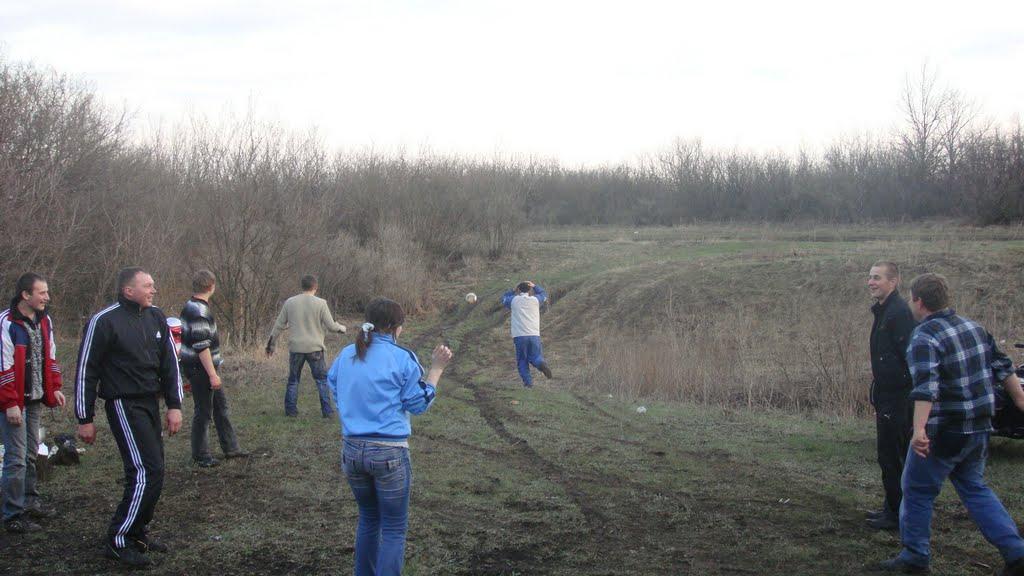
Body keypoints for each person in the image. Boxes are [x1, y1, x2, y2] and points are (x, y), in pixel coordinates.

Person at [874, 273, 1024, 575]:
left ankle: (915, 557)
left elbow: (925, 388)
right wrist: (1021, 400)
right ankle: (1017, 554)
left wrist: (919, 430)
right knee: (974, 488)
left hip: (944, 431)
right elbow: (1004, 366)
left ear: (918, 301)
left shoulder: (924, 337)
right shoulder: (974, 327)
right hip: (979, 428)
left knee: (916, 490)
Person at [327, 298, 452, 576]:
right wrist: (436, 370)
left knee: (368, 519)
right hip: (389, 453)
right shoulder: (402, 358)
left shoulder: (345, 354)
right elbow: (417, 404)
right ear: (397, 327)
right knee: (394, 528)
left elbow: (332, 384)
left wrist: (350, 408)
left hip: (352, 451)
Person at [75, 267, 183, 568]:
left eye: (153, 285)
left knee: (156, 471)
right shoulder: (104, 321)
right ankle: (118, 539)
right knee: (144, 471)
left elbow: (170, 364)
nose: (153, 290)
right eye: (147, 286)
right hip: (123, 403)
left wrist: (174, 405)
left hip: (150, 402)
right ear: (128, 290)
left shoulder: (156, 317)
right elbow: (86, 370)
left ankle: (137, 532)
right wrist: (85, 417)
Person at [0, 273, 66, 533]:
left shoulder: (45, 320)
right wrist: (10, 403)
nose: (47, 297)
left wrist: (55, 387)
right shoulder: (6, 323)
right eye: (42, 292)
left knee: (30, 453)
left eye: (47, 292)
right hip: (13, 402)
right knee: (16, 458)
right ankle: (13, 515)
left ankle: (30, 502)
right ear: (25, 295)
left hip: (35, 398)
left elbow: (50, 354)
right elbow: (3, 365)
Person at [865, 261, 917, 531]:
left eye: (877, 277)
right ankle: (892, 507)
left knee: (892, 455)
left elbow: (910, 357)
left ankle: (896, 514)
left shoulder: (898, 313)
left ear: (893, 282)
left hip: (898, 397)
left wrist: (900, 391)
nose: (871, 282)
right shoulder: (884, 311)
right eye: (870, 277)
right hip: (887, 394)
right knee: (889, 454)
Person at [179, 270, 245, 468]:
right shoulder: (199, 311)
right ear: (211, 287)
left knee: (221, 408)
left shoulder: (192, 305)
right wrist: (212, 374)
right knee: (204, 411)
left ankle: (231, 448)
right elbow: (201, 346)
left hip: (204, 368)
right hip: (201, 369)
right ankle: (201, 455)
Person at [266, 275, 346, 417]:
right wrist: (342, 328)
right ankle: (327, 411)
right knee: (321, 380)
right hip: (315, 349)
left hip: (296, 348)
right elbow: (331, 326)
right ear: (315, 287)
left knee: (293, 381)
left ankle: (290, 411)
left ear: (302, 286)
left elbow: (278, 325)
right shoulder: (321, 303)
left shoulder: (290, 302)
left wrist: (270, 345)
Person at [501, 281, 552, 387]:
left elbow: (504, 298)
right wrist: (535, 286)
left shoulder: (513, 300)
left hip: (519, 335)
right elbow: (544, 294)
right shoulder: (535, 300)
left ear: (518, 289)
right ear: (530, 290)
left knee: (522, 360)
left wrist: (513, 290)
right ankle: (541, 364)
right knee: (536, 356)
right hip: (534, 334)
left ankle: (528, 384)